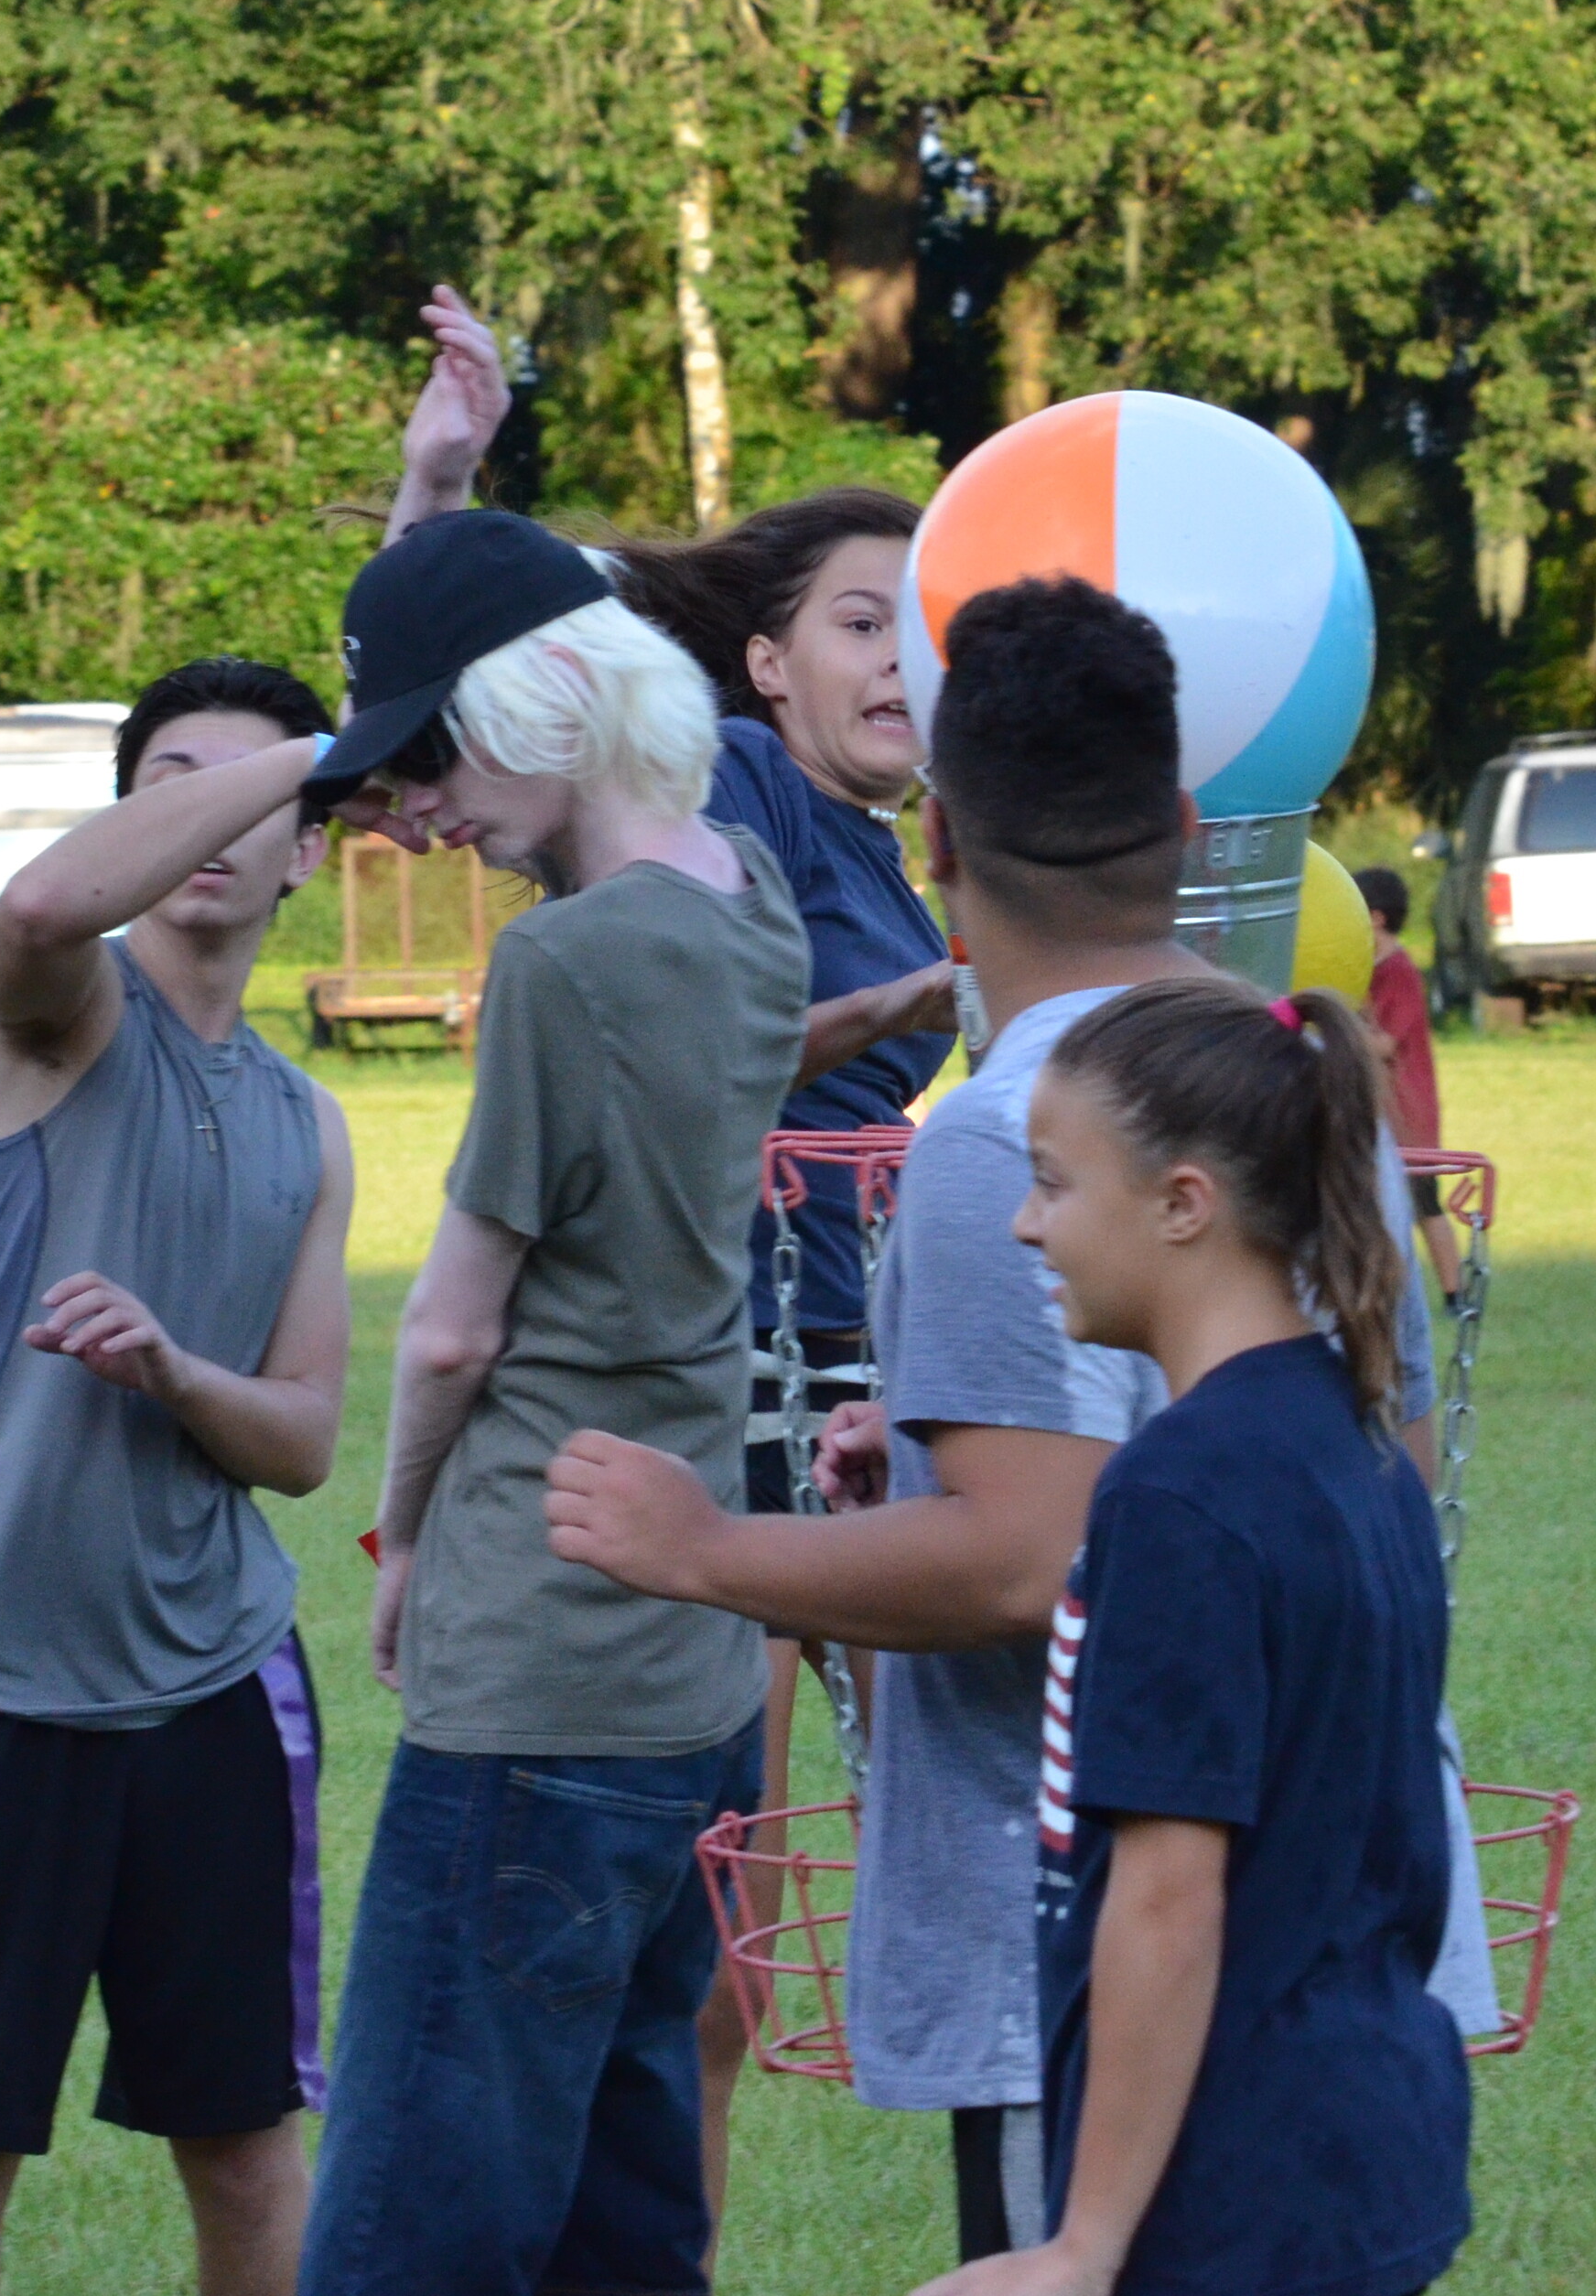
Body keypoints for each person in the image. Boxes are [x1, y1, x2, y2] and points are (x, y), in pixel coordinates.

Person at [541, 580, 1499, 2264]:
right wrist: (919, 1462)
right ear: (1186, 824)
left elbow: (1026, 1559)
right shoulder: (1287, 1070)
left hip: (1114, 2014)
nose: (1043, 1220)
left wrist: (703, 1549)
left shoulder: (1011, 1131)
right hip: (1347, 1963)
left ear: (936, 848)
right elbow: (1375, 1486)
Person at [383, 288, 961, 2179]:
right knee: (723, 1934)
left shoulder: (888, 843)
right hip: (740, 1376)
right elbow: (488, 686)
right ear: (762, 663)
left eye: (925, 624)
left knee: (929, 1853)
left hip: (862, 1367)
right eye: (861, 618)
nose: (901, 655)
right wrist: (438, 488)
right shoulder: (734, 785)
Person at [291, 510, 812, 2296]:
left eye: (430, 754)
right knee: (623, 2216)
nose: (411, 807)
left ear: (539, 705)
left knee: (406, 2234)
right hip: (688, 1670)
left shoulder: (560, 962)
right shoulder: (751, 898)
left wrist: (400, 1542)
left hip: (537, 1662)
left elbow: (452, 1330)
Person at [0, 655, 355, 2296]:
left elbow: (304, 1438)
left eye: (252, 790)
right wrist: (338, 740)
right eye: (169, 782)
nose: (207, 819)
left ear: (307, 849)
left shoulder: (311, 1122)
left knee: (249, 2148)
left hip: (215, 1685)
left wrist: (175, 1370)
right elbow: (45, 902)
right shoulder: (54, 1018)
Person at [918, 977, 1467, 2296]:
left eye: (1053, 1184)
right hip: (1360, 2153)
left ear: (1182, 1204)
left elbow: (1168, 1895)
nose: (1024, 1223)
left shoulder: (1180, 1493)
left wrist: (1085, 2244)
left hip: (1227, 2198)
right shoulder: (1354, 1438)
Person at [1353, 865, 1441, 1146]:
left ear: (1376, 918)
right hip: (1380, 1112)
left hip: (1405, 1116)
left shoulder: (1399, 973)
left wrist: (1328, 1030)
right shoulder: (1367, 970)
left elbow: (1384, 1044)